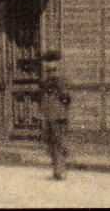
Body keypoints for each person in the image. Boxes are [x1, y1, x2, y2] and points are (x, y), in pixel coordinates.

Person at [38, 51, 71, 180]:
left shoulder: (51, 77)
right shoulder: (55, 77)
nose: (46, 64)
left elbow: (64, 94)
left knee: (55, 142)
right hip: (56, 112)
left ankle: (59, 170)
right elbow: (66, 96)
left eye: (48, 61)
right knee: (56, 141)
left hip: (53, 113)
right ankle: (59, 169)